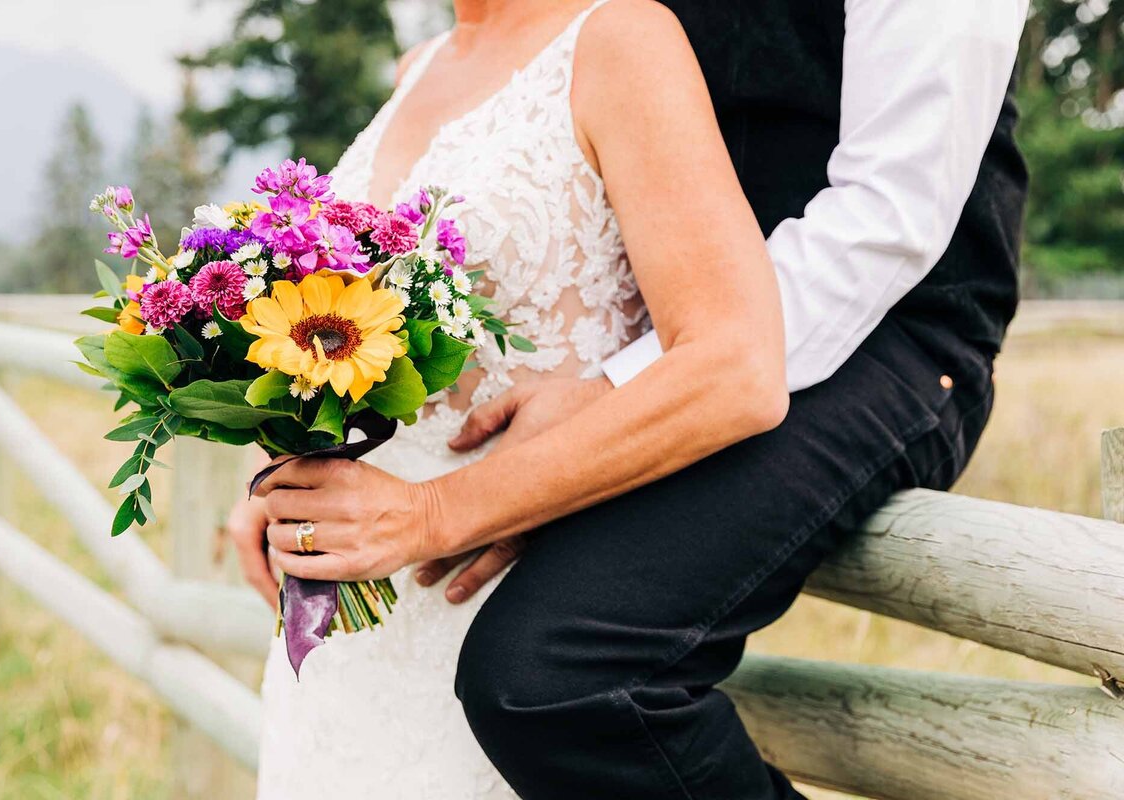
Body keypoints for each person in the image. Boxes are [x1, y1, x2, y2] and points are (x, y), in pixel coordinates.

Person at [235, 1, 1030, 797]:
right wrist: (289, 457)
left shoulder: (626, 40)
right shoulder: (451, 62)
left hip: (893, 328)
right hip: (679, 315)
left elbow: (888, 215)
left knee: (556, 670)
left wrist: (631, 382)